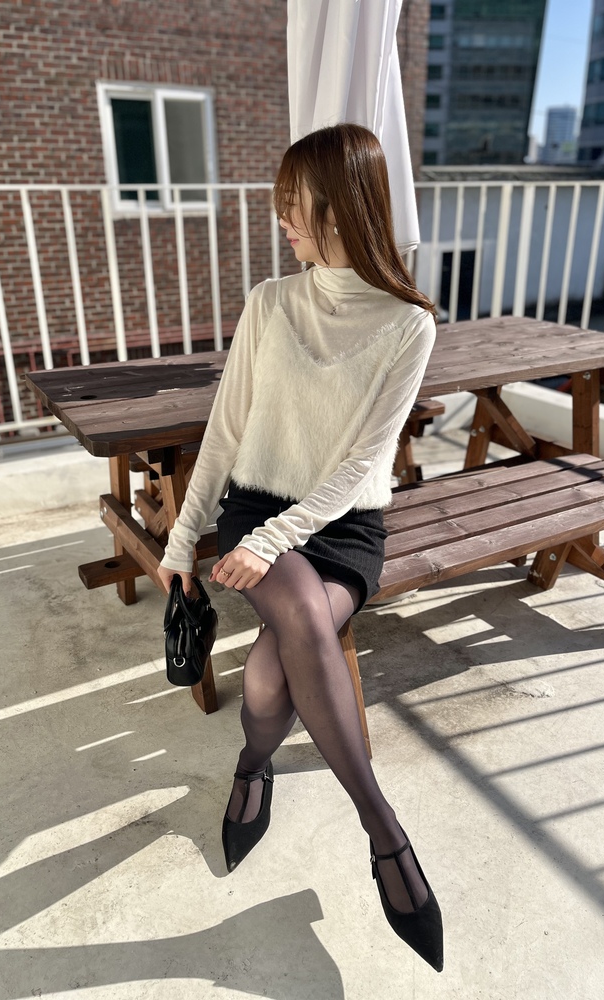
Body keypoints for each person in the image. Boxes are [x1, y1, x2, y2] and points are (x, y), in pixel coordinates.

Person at [157, 123, 443, 972]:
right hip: (256, 505)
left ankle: (253, 767)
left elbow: (360, 463)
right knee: (307, 624)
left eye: (294, 204)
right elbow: (225, 431)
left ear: (341, 205)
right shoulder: (271, 302)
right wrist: (183, 538)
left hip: (345, 524)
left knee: (277, 661)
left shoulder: (408, 325)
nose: (282, 220)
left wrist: (283, 538)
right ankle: (384, 831)